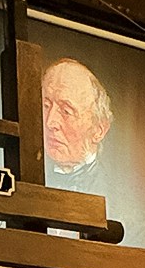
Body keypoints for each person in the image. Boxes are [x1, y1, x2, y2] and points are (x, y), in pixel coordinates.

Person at [41, 58, 112, 196]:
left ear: (99, 130)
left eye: (66, 111)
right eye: (46, 106)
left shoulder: (115, 193)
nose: (50, 122)